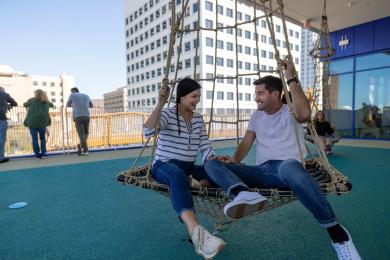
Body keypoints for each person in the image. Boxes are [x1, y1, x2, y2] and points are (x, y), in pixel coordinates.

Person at [203, 60, 361, 260]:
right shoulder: (256, 116)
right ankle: (241, 193)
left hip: (287, 168)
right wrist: (234, 159)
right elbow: (246, 142)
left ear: (276, 94)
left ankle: (338, 235)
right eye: (256, 94)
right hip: (262, 171)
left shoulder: (291, 111)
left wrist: (291, 79)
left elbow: (305, 114)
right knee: (212, 163)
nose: (256, 98)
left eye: (260, 93)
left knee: (289, 167)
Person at [144, 78, 261, 259]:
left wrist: (212, 160)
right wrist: (160, 101)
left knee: (220, 170)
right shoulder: (167, 114)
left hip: (188, 167)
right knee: (177, 176)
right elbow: (149, 131)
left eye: (198, 96)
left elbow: (205, 146)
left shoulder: (198, 119)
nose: (197, 100)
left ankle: (198, 183)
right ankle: (196, 232)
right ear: (181, 97)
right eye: (193, 96)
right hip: (165, 165)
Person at [24, 89, 53, 159]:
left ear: (36, 94)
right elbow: (52, 105)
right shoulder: (46, 101)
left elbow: (25, 104)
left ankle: (37, 154)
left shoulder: (31, 100)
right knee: (42, 138)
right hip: (42, 122)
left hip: (32, 122)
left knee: (34, 139)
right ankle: (43, 154)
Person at [66, 87, 93, 156]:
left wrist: (74, 105)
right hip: (86, 116)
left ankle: (85, 150)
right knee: (86, 132)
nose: (71, 93)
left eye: (71, 91)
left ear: (73, 91)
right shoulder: (86, 95)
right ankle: (81, 146)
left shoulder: (72, 95)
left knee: (81, 134)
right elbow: (91, 105)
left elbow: (68, 105)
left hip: (77, 116)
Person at [0, 86, 18, 163]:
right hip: (1, 118)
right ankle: (0, 157)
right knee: (1, 138)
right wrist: (8, 105)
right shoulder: (3, 94)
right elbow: (15, 103)